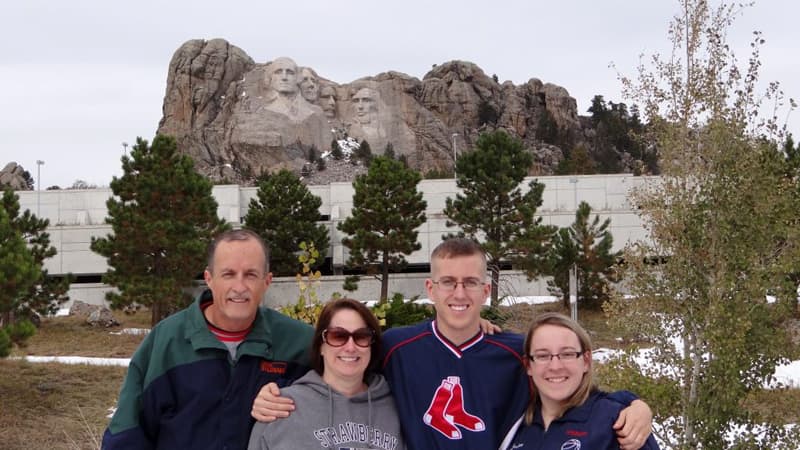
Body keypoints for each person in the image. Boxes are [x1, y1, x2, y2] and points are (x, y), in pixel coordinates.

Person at [252, 238, 653, 450]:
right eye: (448, 282)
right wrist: (277, 393)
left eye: (470, 282)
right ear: (431, 287)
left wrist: (635, 405)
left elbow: (571, 384)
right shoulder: (395, 347)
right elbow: (344, 373)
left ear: (486, 290)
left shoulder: (517, 352)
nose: (458, 293)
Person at [101, 229, 313, 450]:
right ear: (209, 279)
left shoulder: (299, 343)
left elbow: (341, 401)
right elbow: (127, 435)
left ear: (267, 281)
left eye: (250, 274)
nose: (239, 287)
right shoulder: (165, 343)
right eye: (228, 274)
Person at [247, 298, 405, 450]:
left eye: (361, 336)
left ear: (372, 345)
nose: (350, 347)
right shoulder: (280, 407)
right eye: (338, 336)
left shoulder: (399, 407)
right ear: (320, 346)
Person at [499, 313, 660, 449]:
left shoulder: (617, 421)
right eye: (542, 356)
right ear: (528, 365)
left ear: (586, 361)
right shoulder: (514, 424)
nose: (555, 366)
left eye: (567, 354)